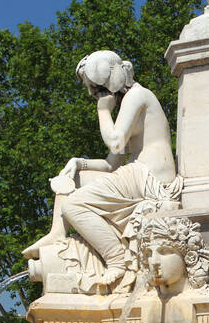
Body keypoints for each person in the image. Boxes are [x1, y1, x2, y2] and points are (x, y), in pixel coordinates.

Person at [23, 51, 181, 290]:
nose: (93, 95)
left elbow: (116, 142)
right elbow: (111, 164)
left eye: (96, 89)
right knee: (72, 177)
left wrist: (103, 110)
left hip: (149, 177)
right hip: (136, 172)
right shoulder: (131, 100)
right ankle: (57, 233)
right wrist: (80, 162)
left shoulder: (138, 96)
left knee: (73, 205)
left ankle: (117, 260)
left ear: (110, 81)